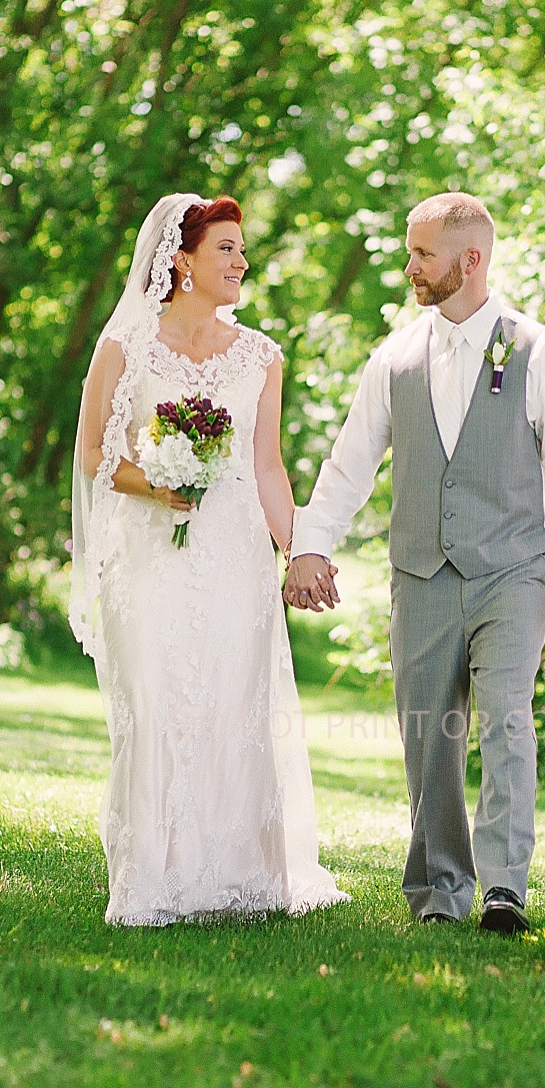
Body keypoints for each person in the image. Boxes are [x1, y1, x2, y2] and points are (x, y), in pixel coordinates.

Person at [283, 192, 545, 933]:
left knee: (505, 721)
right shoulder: (393, 358)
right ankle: (438, 891)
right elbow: (349, 464)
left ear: (470, 260)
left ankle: (503, 889)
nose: (409, 267)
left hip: (512, 573)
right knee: (429, 738)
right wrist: (310, 543)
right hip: (421, 575)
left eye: (422, 254)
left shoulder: (538, 351)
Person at [71, 194, 349, 926]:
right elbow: (95, 452)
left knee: (232, 706)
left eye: (242, 250)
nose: (241, 263)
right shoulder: (126, 347)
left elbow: (267, 468)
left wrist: (299, 551)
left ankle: (242, 878)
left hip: (232, 557)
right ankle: (151, 882)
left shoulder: (261, 355)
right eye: (226, 248)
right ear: (182, 258)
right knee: (158, 705)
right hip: (149, 557)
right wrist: (156, 482)